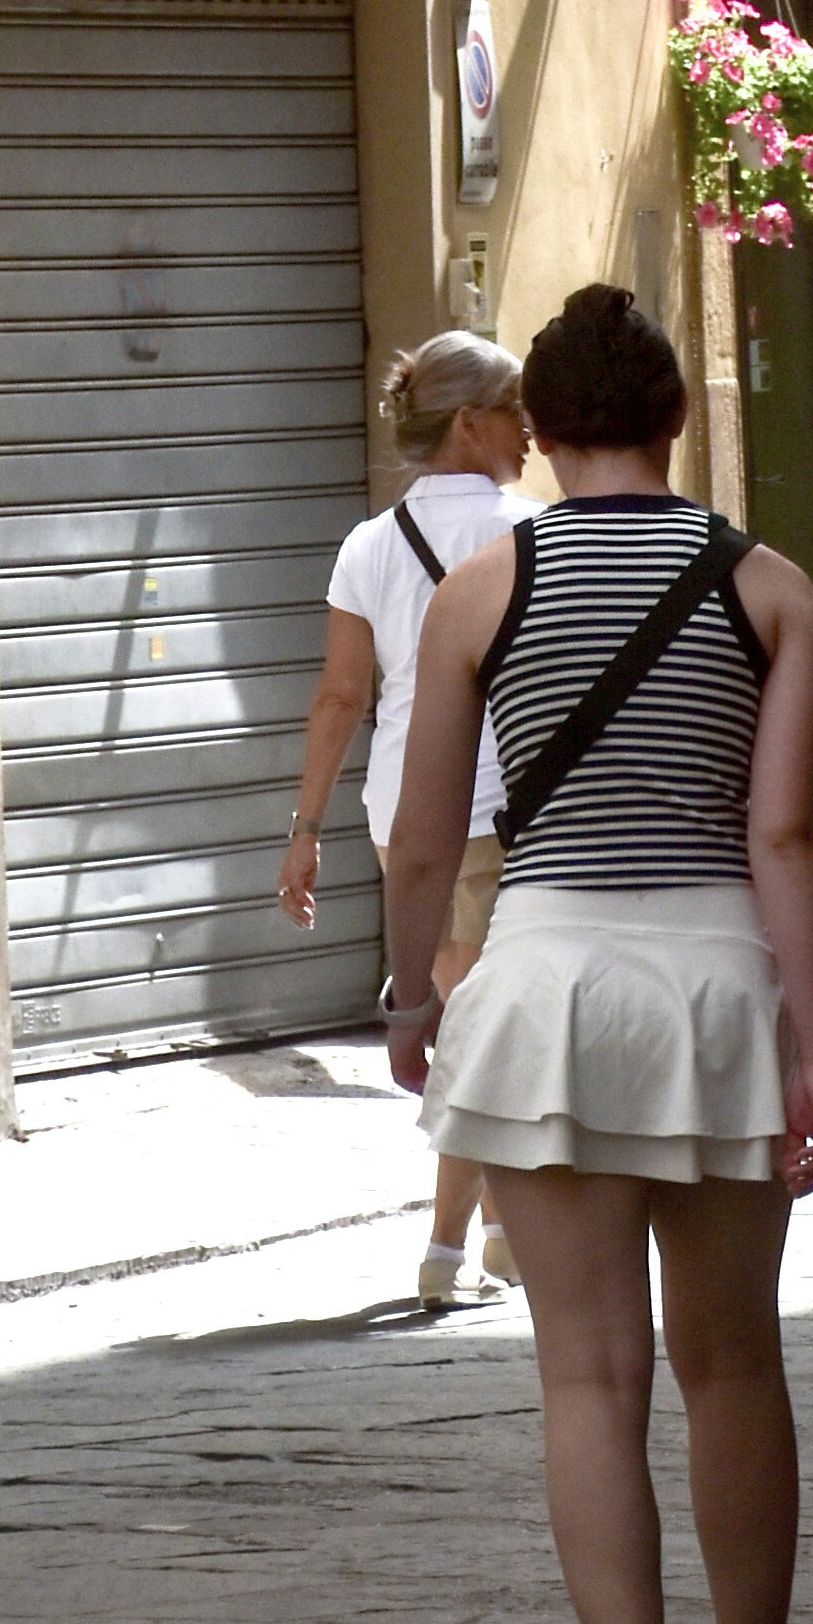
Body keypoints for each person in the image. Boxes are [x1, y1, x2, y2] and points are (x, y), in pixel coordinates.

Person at [387, 279, 813, 1624]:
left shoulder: (485, 588)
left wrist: (412, 996)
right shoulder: (769, 588)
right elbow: (783, 839)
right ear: (675, 415)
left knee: (587, 1384)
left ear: (543, 428)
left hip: (544, 983)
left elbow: (422, 832)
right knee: (733, 1366)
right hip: (714, 989)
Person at [282, 328, 537, 1305]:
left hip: (399, 809)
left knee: (475, 1014)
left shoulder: (367, 544)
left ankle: (506, 1232)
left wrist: (305, 829)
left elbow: (339, 696)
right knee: (482, 1030)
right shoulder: (527, 529)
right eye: (515, 414)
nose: (530, 433)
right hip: (492, 809)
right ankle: (443, 1251)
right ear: (470, 425)